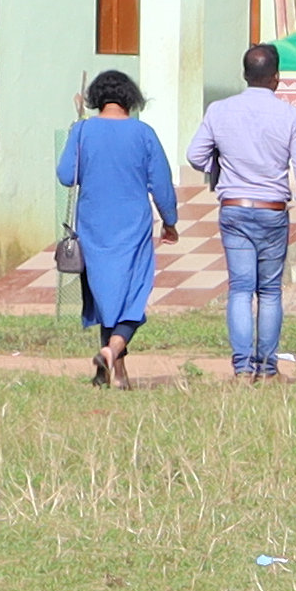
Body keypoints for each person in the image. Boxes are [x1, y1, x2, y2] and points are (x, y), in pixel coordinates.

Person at [188, 40, 296, 379]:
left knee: (239, 288)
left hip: (234, 209)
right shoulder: (291, 116)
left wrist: (218, 165)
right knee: (269, 290)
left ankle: (241, 368)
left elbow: (195, 155)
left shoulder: (219, 110)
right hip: (272, 210)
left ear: (245, 75)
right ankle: (267, 366)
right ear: (276, 78)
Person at [56, 68, 176, 386]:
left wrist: (76, 129)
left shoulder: (82, 131)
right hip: (133, 229)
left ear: (97, 98)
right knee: (132, 299)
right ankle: (111, 353)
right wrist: (171, 222)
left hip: (93, 229)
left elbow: (67, 175)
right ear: (130, 99)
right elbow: (162, 185)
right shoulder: (143, 133)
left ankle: (114, 372)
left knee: (106, 299)